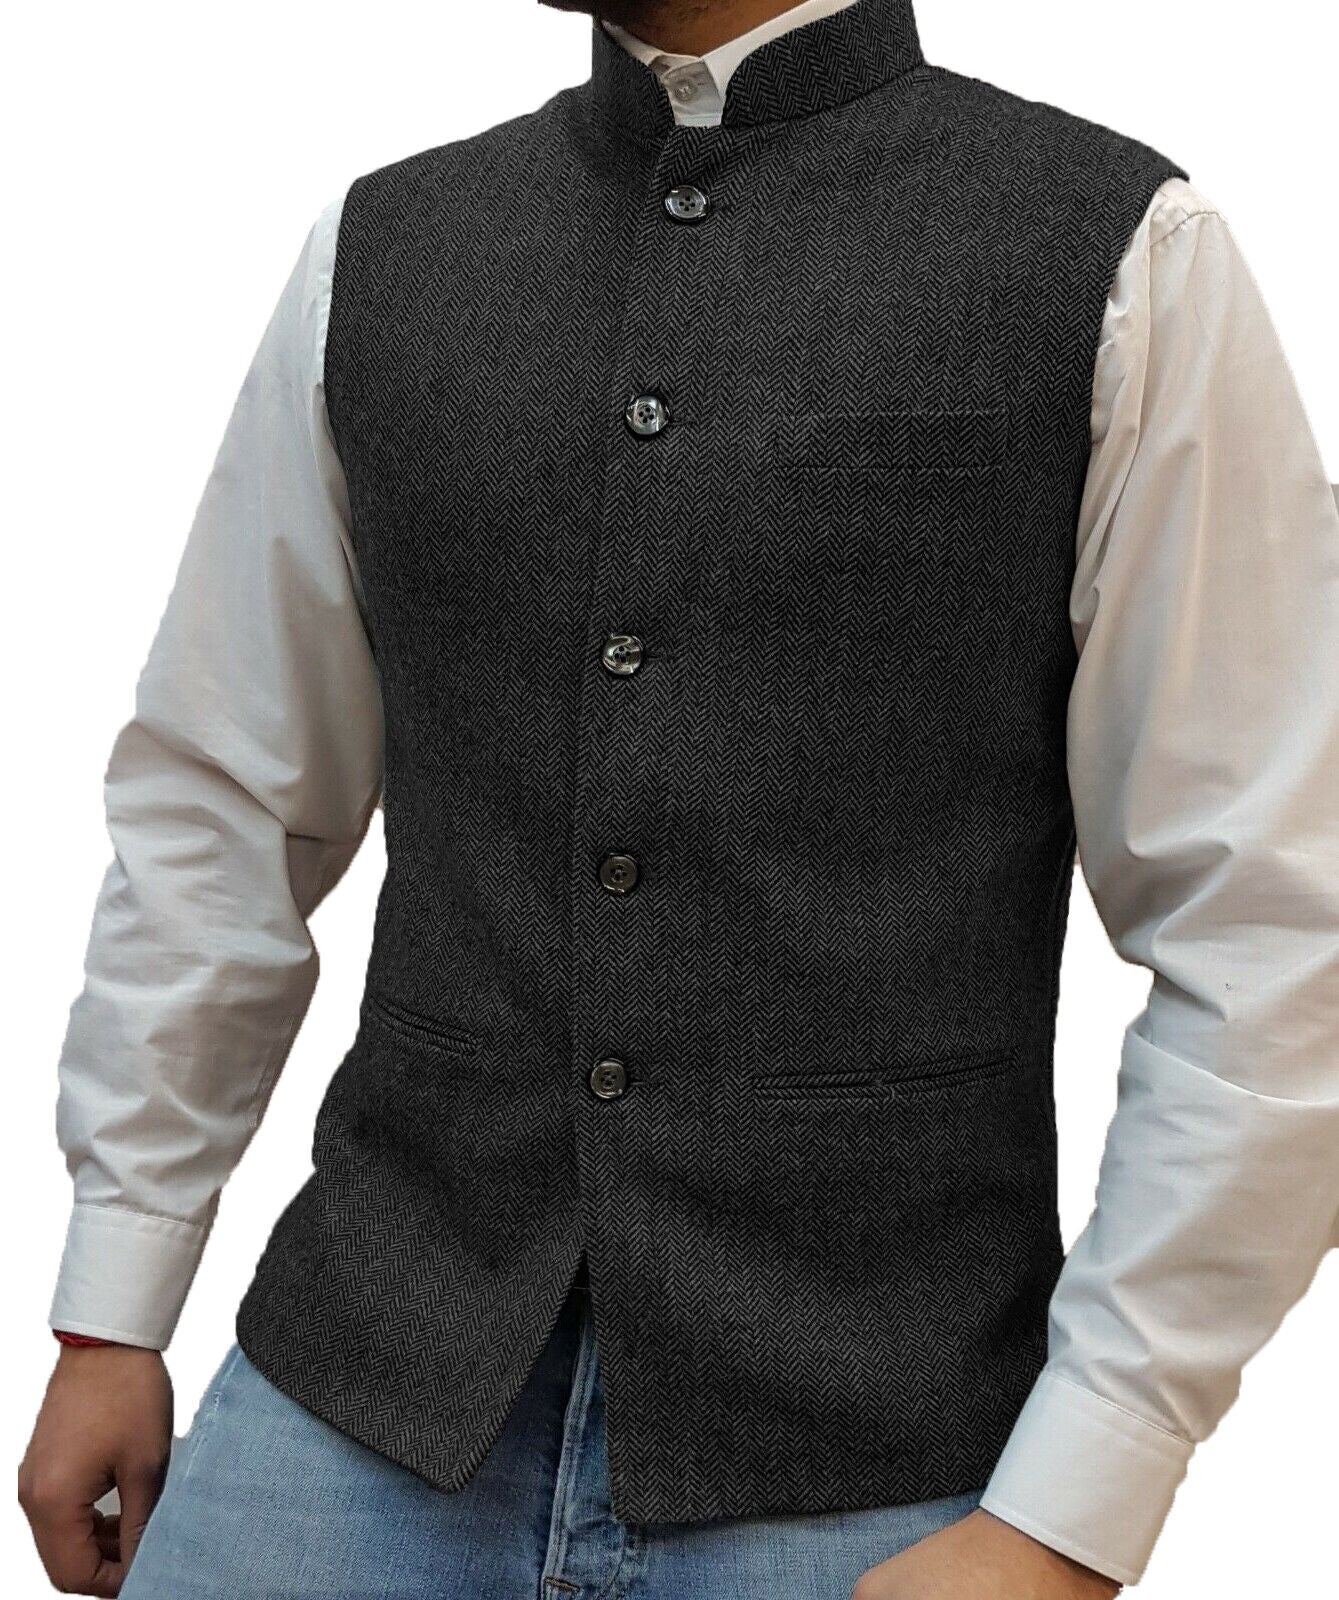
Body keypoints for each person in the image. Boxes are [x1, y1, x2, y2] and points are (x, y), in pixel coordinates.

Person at [18, 2, 1339, 1596]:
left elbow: (1274, 923)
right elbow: (223, 803)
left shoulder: (1119, 252)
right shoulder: (385, 252)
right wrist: (116, 1298)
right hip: (360, 1390)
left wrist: (1078, 1500)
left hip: (879, 1458)